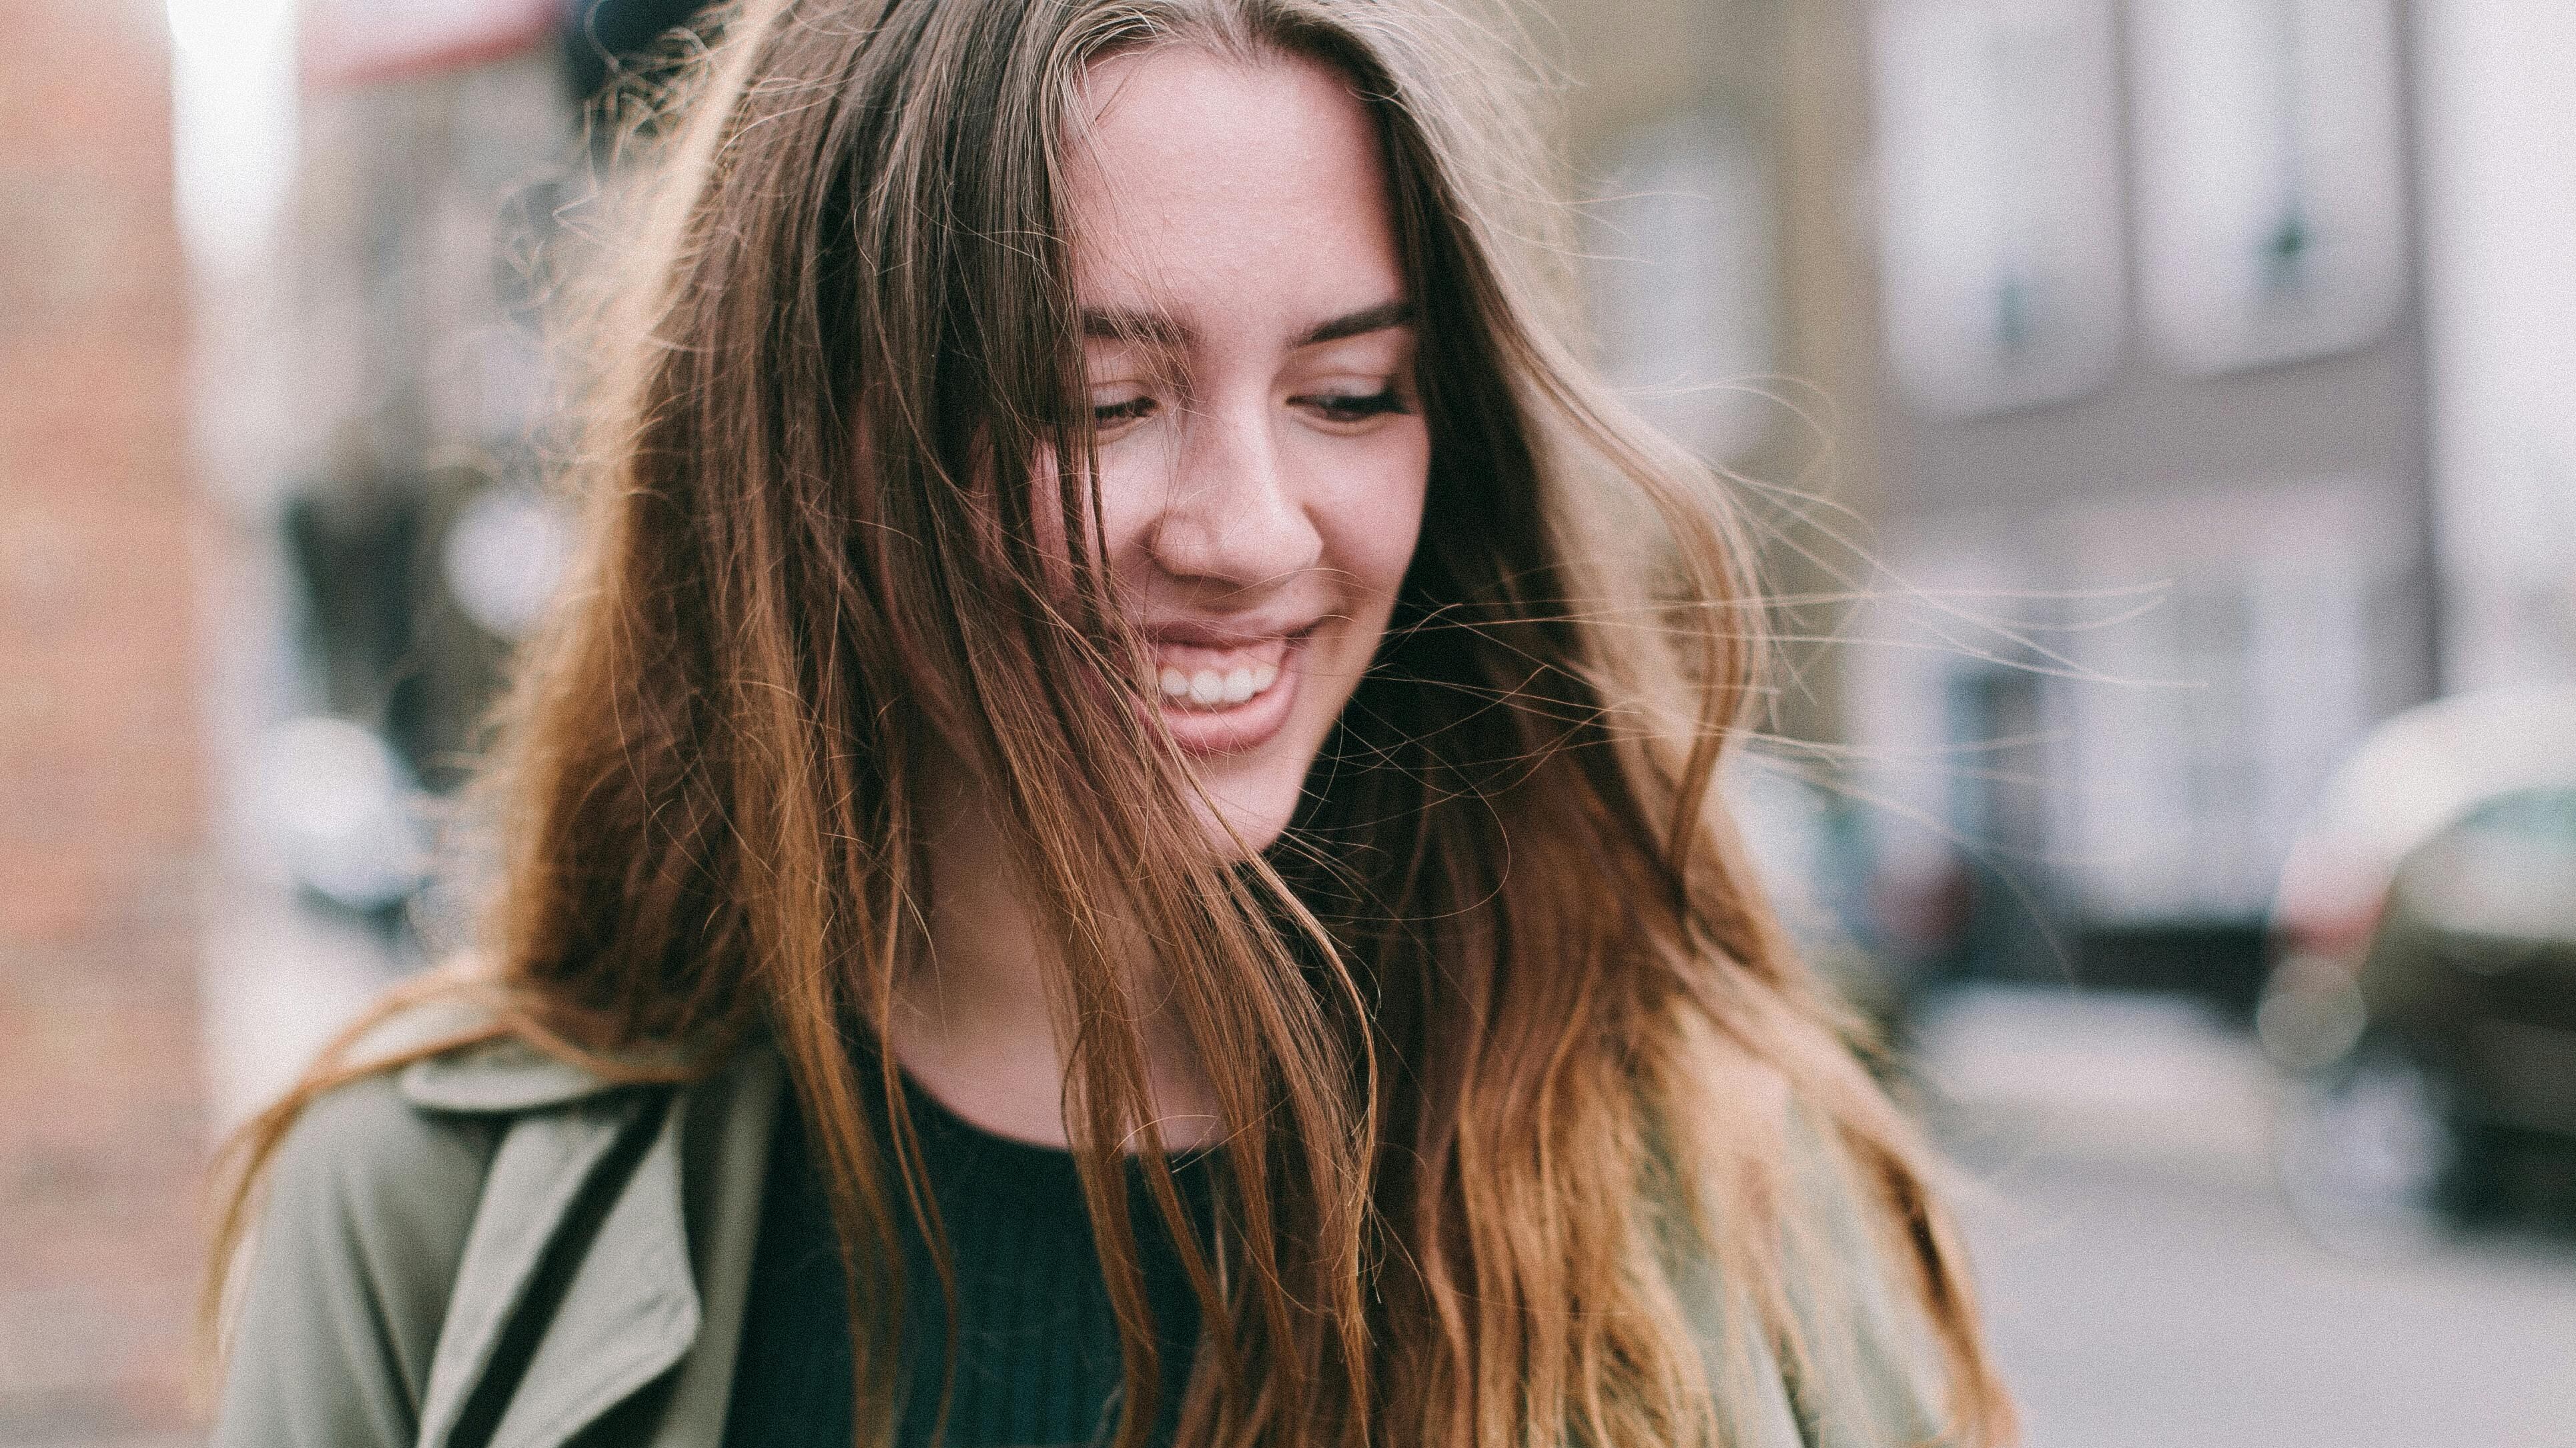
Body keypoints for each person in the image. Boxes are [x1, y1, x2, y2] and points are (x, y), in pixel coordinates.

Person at [209, 1, 2016, 1445]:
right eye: (1098, 402)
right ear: (807, 444)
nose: (1247, 531)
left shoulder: (1731, 1181)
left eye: (1350, 391)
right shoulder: (424, 1217)